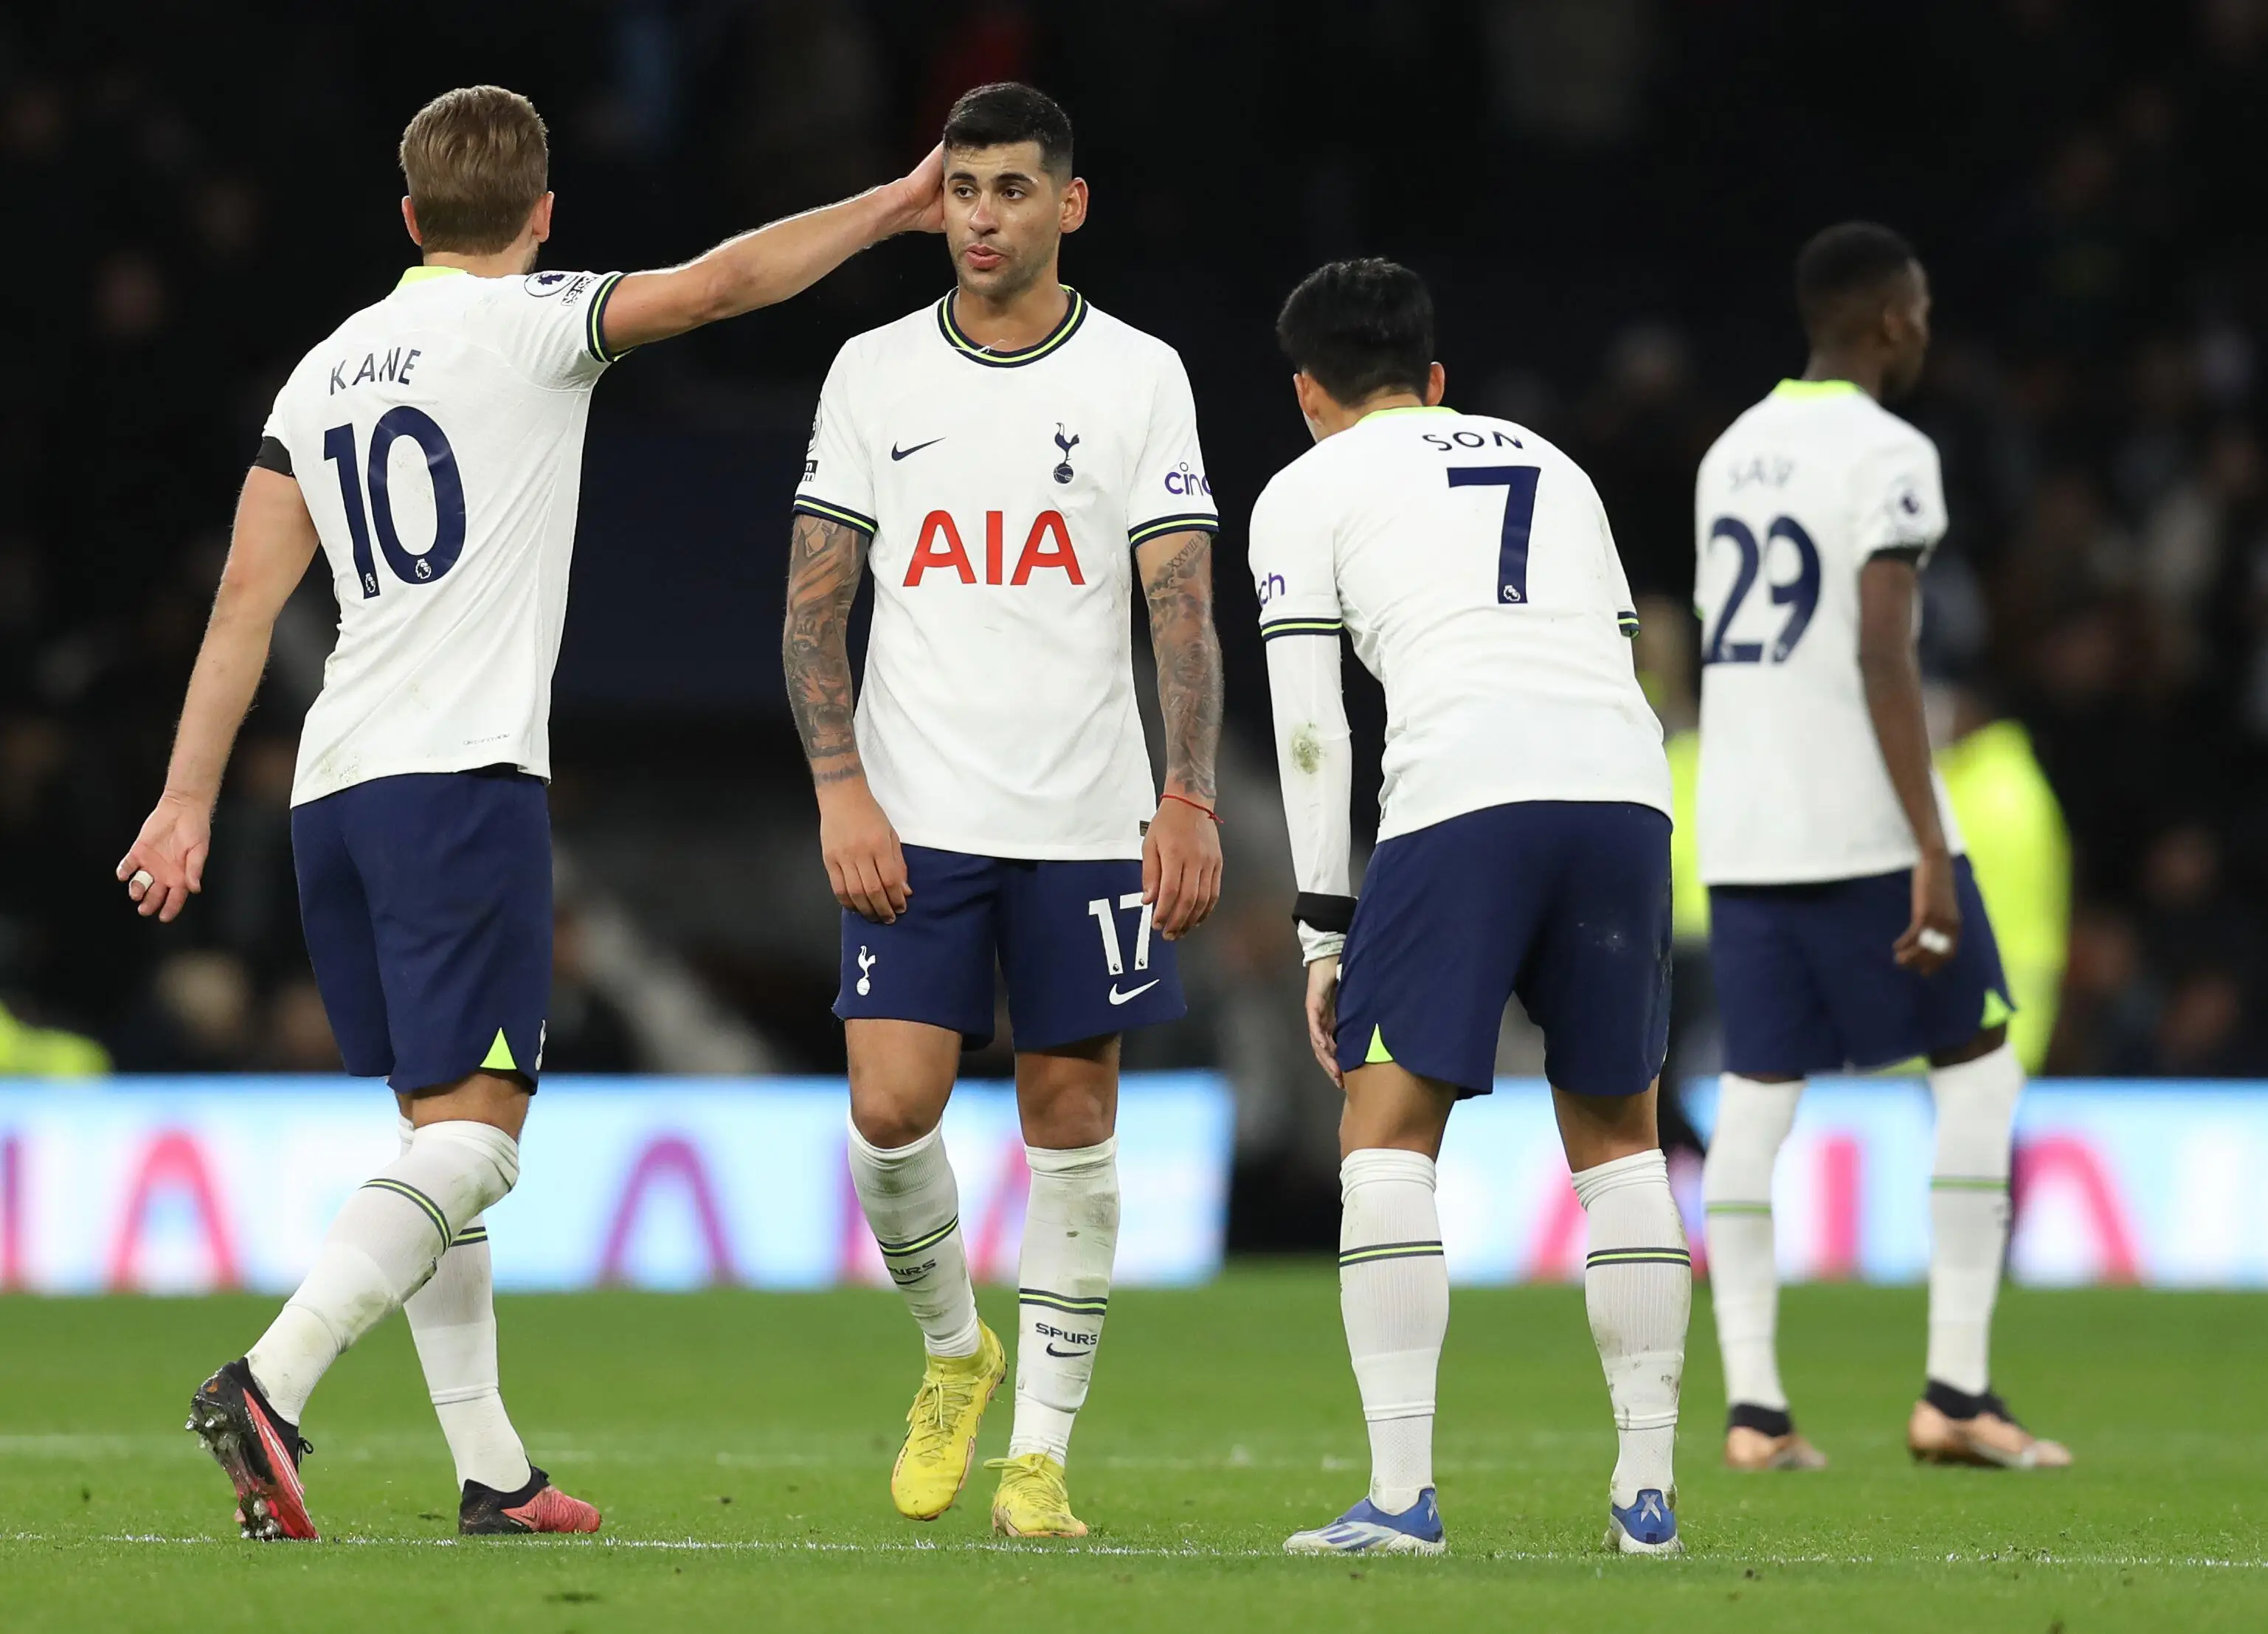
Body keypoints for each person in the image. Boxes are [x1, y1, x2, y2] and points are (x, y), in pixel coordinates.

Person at [116, 84, 943, 1541]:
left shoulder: (321, 373)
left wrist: (185, 801)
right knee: (482, 1140)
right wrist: (891, 204)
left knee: (438, 1140)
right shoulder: (540, 320)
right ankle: (271, 1379)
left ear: (409, 217)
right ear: (545, 215)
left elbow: (245, 606)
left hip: (334, 796)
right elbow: (725, 283)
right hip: (459, 785)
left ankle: (492, 1472)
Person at [785, 82, 1223, 1540]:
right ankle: (950, 1352)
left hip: (1089, 818)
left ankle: (1039, 1460)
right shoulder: (871, 372)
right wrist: (841, 788)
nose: (981, 217)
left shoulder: (1139, 375)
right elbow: (813, 606)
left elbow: (1180, 605)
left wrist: (1186, 793)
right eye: (962, 189)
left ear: (1067, 205)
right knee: (889, 1107)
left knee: (1070, 1115)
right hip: (912, 812)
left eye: (1011, 190)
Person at [1252, 258, 1690, 1558]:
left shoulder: (1304, 486)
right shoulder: (1557, 464)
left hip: (1463, 797)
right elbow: (1625, 648)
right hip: (1622, 790)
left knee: (1384, 1135)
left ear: (1306, 393)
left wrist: (1323, 925)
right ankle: (1645, 1497)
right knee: (1620, 1139)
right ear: (1435, 380)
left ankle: (1399, 1497)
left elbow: (1312, 723)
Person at [1694, 222, 2070, 1473]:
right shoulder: (1892, 452)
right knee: (1977, 1073)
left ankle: (1753, 1410)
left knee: (1756, 1098)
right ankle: (1955, 1387)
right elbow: (1877, 648)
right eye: (1919, 311)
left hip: (1746, 828)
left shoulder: (1729, 449)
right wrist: (1925, 835)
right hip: (1859, 823)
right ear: (1891, 321)